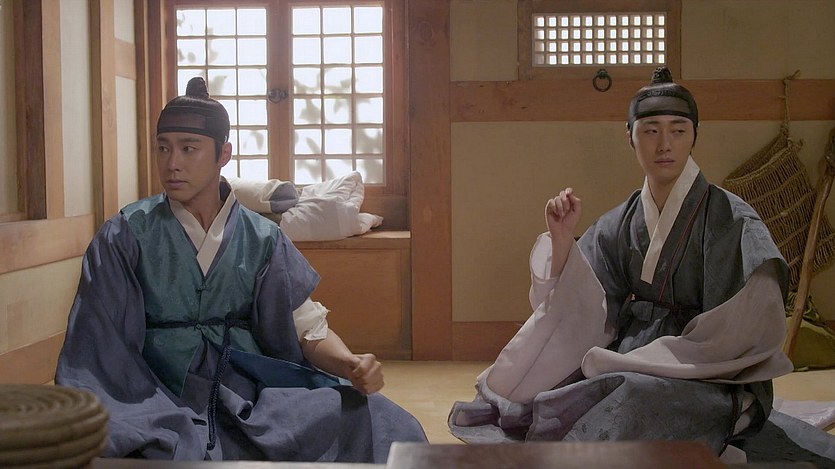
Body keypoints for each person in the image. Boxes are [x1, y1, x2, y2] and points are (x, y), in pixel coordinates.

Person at [56, 77, 426, 462]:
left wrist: (349, 363)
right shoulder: (125, 234)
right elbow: (96, 341)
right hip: (152, 391)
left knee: (381, 421)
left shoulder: (262, 237)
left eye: (188, 148)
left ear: (224, 154)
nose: (172, 163)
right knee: (120, 439)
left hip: (247, 390)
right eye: (163, 148)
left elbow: (306, 328)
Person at [448, 67, 795, 462]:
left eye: (678, 130)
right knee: (561, 393)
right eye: (650, 131)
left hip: (710, 371)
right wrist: (562, 239)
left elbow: (750, 321)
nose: (664, 144)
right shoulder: (624, 219)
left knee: (631, 397)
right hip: (631, 356)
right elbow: (581, 303)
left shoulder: (731, 219)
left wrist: (670, 358)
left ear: (694, 135)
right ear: (629, 136)